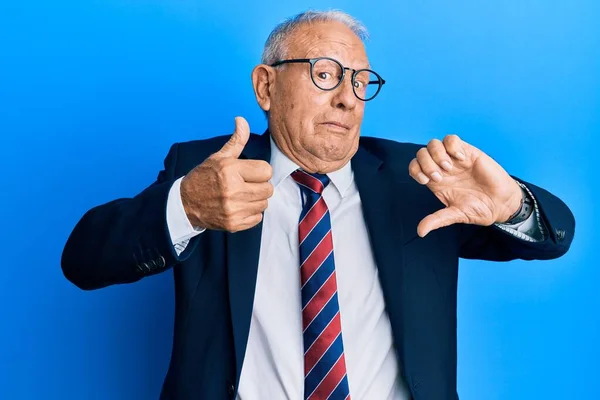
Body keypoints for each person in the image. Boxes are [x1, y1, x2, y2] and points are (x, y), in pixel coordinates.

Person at [61, 10, 575, 400]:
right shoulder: (211, 173)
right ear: (266, 85)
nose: (349, 98)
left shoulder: (419, 179)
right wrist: (187, 208)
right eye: (326, 74)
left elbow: (556, 236)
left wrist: (512, 205)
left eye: (359, 81)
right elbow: (82, 260)